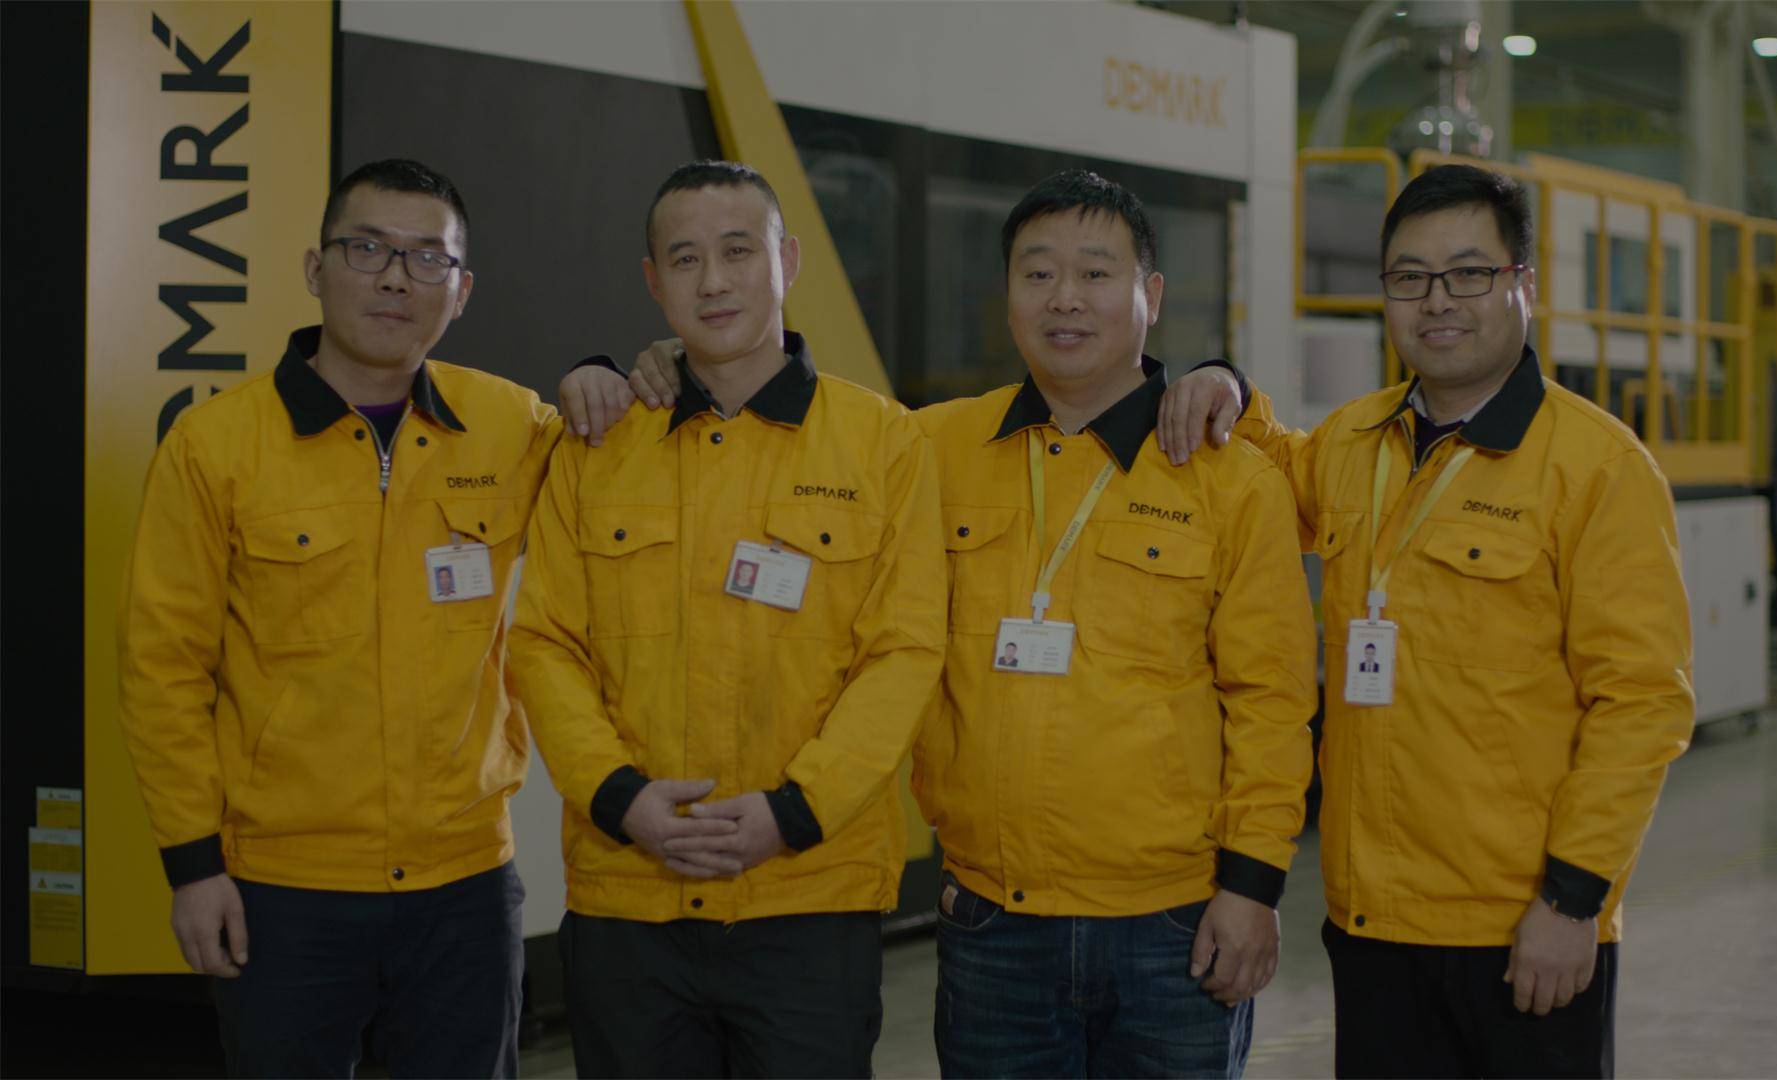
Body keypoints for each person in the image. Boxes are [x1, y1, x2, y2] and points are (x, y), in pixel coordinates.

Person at [564, 170, 1317, 1079]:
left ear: (1150, 295)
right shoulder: (925, 446)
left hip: (1173, 920)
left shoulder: (1229, 477)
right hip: (992, 924)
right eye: (1037, 274)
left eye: (1095, 273)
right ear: (1007, 295)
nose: (1065, 298)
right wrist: (654, 365)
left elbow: (1272, 699)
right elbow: (758, 416)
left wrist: (1252, 886)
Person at [1185, 163, 1694, 1078]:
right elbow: (1273, 476)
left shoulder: (1597, 468)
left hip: (1523, 929)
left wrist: (1573, 902)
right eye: (1410, 277)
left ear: (1523, 283)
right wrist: (1226, 384)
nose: (1437, 301)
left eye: (1468, 273)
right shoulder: (1354, 442)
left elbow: (1643, 703)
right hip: (1372, 924)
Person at [118, 159, 562, 1077]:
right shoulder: (216, 446)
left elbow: (634, 465)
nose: (396, 278)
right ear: (316, 270)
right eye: (368, 249)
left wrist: (617, 374)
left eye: (427, 258)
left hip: (464, 885)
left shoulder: (513, 425)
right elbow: (163, 668)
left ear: (461, 291)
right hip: (282, 889)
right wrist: (194, 867)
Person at [510, 160, 947, 1079]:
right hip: (629, 902)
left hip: (809, 898)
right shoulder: (599, 445)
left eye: (739, 251)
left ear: (788, 260)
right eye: (685, 258)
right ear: (652, 280)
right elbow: (546, 643)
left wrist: (794, 812)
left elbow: (904, 652)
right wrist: (619, 798)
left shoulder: (881, 442)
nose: (713, 280)